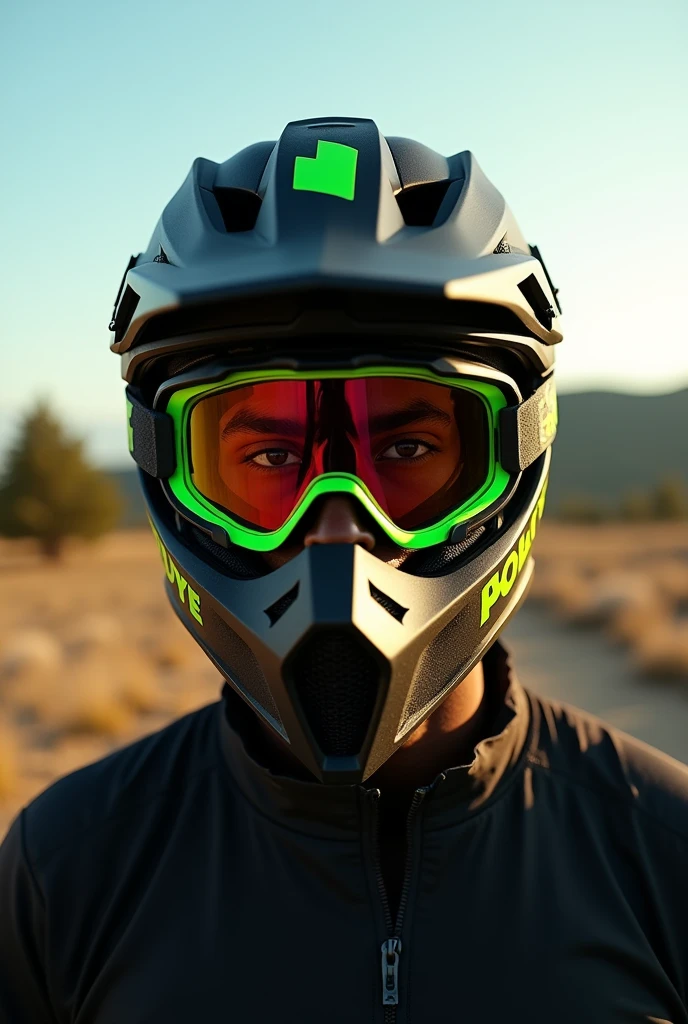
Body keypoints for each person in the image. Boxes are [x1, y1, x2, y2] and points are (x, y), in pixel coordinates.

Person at [1, 116, 687, 1024]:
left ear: (518, 448)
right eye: (269, 460)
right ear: (167, 470)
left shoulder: (667, 849)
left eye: (406, 445)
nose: (336, 531)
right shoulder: (67, 868)